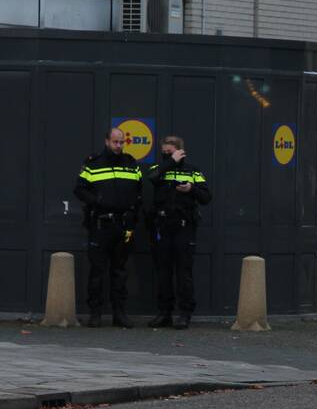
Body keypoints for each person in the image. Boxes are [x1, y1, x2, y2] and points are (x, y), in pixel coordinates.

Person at [73, 127, 143, 328]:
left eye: (121, 142)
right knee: (97, 271)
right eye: (115, 142)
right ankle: (95, 314)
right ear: (107, 141)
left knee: (120, 271)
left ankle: (119, 314)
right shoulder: (93, 163)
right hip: (101, 225)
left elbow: (139, 191)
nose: (119, 145)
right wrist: (97, 202)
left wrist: (133, 211)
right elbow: (79, 189)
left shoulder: (131, 163)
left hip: (123, 226)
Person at [146, 135, 212, 329]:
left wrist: (191, 189)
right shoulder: (158, 169)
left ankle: (184, 314)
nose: (166, 155)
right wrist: (170, 162)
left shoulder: (193, 171)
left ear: (180, 151)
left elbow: (207, 197)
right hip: (163, 227)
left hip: (184, 227)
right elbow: (152, 178)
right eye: (164, 153)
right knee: (163, 273)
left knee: (184, 273)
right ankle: (164, 313)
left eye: (171, 152)